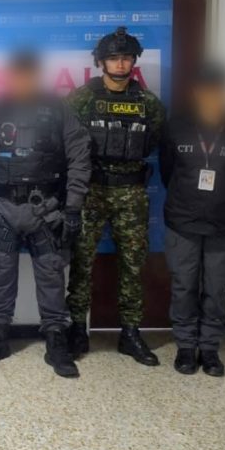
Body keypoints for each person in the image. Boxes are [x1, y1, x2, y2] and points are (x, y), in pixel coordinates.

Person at [0, 51, 91, 378]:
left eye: (28, 75)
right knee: (0, 274)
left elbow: (79, 157)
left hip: (46, 207)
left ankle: (55, 341)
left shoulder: (59, 109)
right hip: (0, 206)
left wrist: (74, 206)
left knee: (51, 275)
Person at [66, 26, 166, 365]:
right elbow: (68, 144)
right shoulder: (82, 99)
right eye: (113, 58)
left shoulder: (148, 103)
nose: (120, 64)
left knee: (134, 265)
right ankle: (78, 329)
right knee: (81, 262)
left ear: (134, 61)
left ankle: (130, 333)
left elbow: (152, 142)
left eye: (126, 58)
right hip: (91, 190)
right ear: (100, 62)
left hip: (131, 192)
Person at [160, 62, 225, 377]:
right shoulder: (176, 126)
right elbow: (169, 172)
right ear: (196, 92)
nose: (212, 96)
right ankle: (186, 348)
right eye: (206, 90)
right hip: (183, 223)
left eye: (219, 90)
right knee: (184, 287)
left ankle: (210, 350)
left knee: (217, 290)